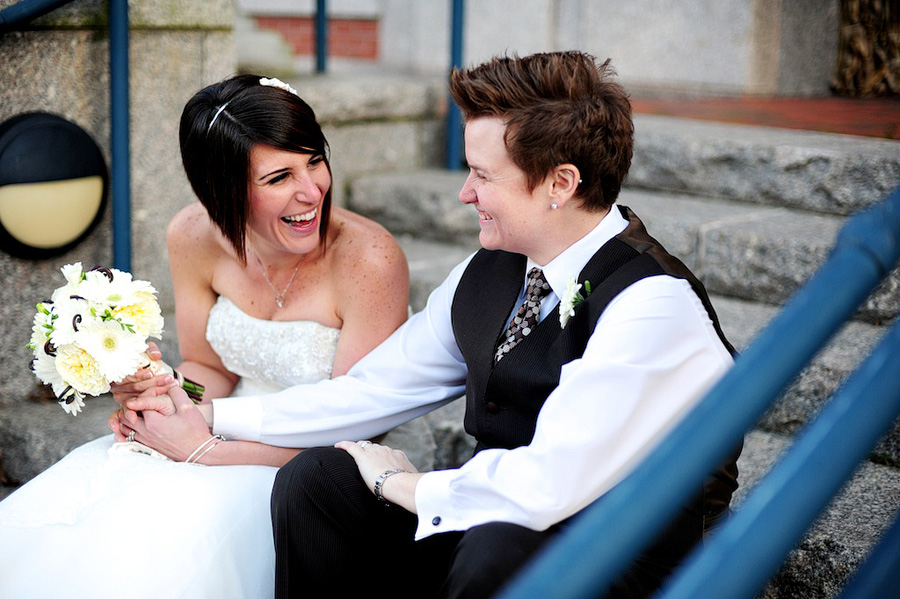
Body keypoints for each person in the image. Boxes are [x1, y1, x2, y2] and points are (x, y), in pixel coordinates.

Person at [122, 51, 740, 598]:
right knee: (320, 479)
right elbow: (377, 388)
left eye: (483, 174)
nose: (465, 193)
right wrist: (209, 416)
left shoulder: (652, 305)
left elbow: (547, 485)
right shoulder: (492, 271)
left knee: (498, 542)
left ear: (560, 183)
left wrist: (401, 483)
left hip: (610, 558)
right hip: (488, 527)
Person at [0, 74, 428, 599]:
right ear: (222, 188)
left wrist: (203, 449)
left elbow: (354, 437)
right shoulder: (193, 235)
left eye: (314, 160)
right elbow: (210, 371)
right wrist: (162, 392)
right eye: (278, 177)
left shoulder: (369, 259)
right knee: (85, 526)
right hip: (216, 430)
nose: (312, 189)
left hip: (315, 470)